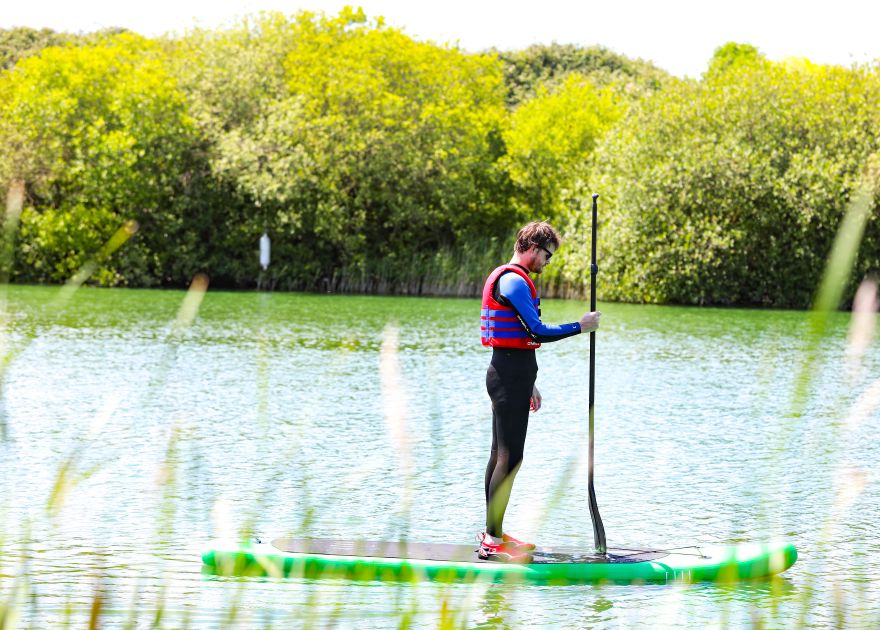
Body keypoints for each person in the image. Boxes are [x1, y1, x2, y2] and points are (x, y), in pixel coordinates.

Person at [478, 221, 600, 562]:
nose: (547, 263)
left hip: (511, 374)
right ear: (533, 248)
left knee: (500, 455)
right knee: (510, 457)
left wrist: (528, 380)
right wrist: (581, 325)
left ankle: (495, 534)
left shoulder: (512, 279)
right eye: (546, 255)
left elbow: (517, 339)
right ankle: (491, 540)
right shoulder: (515, 280)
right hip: (507, 376)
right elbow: (537, 330)